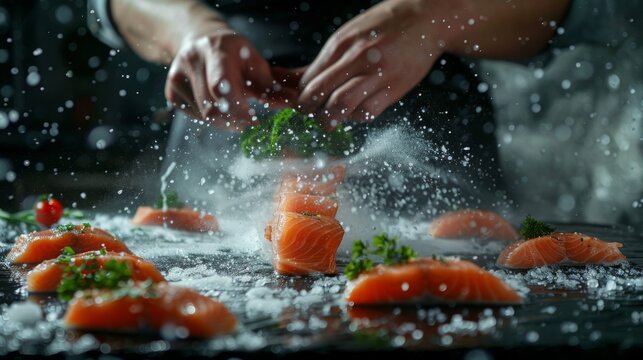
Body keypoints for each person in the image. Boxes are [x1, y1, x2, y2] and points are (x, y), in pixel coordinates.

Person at [86, 0, 642, 225]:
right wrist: (190, 29)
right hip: (223, 116)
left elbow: (593, 7)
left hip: (435, 116)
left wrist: (432, 15)